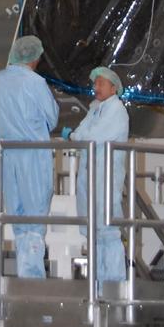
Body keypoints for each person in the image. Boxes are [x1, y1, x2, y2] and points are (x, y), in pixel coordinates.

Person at [0, 35, 59, 279]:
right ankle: (32, 279)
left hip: (6, 154)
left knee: (17, 215)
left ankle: (24, 274)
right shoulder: (35, 83)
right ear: (36, 57)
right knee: (34, 215)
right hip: (33, 154)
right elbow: (52, 118)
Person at [62, 66, 130, 287]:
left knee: (108, 233)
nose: (96, 87)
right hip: (91, 178)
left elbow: (90, 137)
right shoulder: (95, 109)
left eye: (101, 83)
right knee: (95, 234)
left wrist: (73, 136)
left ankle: (114, 289)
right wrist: (75, 136)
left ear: (113, 87)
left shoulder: (116, 111)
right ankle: (97, 288)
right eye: (95, 83)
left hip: (106, 179)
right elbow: (82, 133)